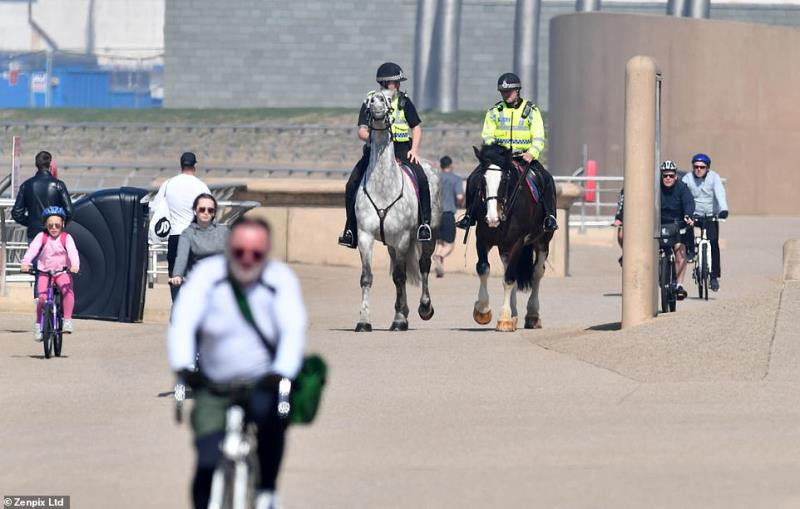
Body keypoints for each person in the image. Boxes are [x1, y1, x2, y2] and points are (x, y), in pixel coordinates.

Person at [167, 216, 307, 509]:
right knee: (206, 459)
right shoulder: (208, 275)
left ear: (266, 253)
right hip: (213, 384)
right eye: (239, 252)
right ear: (228, 249)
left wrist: (282, 371)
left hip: (261, 381)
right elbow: (183, 320)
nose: (246, 259)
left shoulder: (279, 280)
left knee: (272, 427)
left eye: (255, 254)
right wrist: (183, 366)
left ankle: (267, 489)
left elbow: (293, 328)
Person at [338, 62, 432, 248]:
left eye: (399, 83)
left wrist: (414, 150)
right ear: (384, 82)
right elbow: (361, 131)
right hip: (376, 149)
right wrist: (373, 140)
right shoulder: (371, 101)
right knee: (351, 184)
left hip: (402, 148)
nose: (398, 85)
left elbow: (417, 128)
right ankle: (350, 230)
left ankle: (424, 224)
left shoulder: (404, 101)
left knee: (422, 178)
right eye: (395, 82)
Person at [456, 72, 557, 232]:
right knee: (473, 178)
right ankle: (470, 215)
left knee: (546, 179)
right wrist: (495, 155)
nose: (505, 95)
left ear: (517, 91)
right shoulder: (494, 111)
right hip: (500, 160)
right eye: (503, 92)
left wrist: (532, 153)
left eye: (508, 92)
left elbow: (539, 136)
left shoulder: (532, 111)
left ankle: (549, 217)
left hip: (524, 157)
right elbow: (487, 136)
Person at [151, 152, 211, 301]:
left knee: (174, 275)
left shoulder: (169, 184)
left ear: (181, 165)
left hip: (175, 235)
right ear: (195, 166)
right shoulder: (201, 186)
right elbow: (210, 211)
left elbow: (156, 207)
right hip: (194, 237)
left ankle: (177, 307)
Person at [20, 207, 80, 340]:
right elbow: (32, 250)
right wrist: (25, 263)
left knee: (67, 291)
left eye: (57, 225)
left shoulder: (66, 238)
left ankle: (67, 321)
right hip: (44, 273)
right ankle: (38, 325)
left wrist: (75, 265)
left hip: (61, 272)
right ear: (45, 225)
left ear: (63, 224)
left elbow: (73, 252)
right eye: (50, 225)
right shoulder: (41, 237)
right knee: (41, 298)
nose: (54, 228)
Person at [682, 153, 728, 292]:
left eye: (702, 167)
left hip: (710, 215)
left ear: (707, 168)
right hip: (694, 214)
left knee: (713, 243)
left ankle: (714, 277)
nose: (698, 170)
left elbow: (720, 193)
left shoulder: (714, 177)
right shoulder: (687, 178)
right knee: (686, 227)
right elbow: (682, 194)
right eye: (696, 167)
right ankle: (690, 250)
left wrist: (723, 209)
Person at [168, 193, 229, 291]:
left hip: (222, 282)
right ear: (195, 211)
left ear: (214, 213)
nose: (206, 212)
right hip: (199, 283)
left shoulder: (224, 231)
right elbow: (181, 257)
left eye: (210, 210)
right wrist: (177, 275)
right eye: (202, 209)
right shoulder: (187, 234)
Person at [11, 151, 73, 242]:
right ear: (50, 164)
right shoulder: (58, 185)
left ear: (36, 164)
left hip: (34, 233)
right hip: (53, 234)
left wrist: (31, 222)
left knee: (35, 256)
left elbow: (16, 213)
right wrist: (58, 224)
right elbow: (69, 211)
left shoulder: (26, 185)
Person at [659, 160, 695, 300]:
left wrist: (688, 215)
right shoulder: (656, 188)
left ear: (675, 176)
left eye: (671, 175)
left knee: (680, 252)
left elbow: (689, 202)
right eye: (665, 175)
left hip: (676, 224)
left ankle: (679, 285)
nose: (668, 178)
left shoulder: (682, 188)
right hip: (659, 224)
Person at [432, 156, 464, 278]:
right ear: (450, 165)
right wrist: (461, 204)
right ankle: (439, 257)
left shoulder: (435, 178)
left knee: (439, 243)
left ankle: (439, 265)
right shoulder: (455, 179)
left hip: (435, 215)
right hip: (448, 214)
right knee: (449, 245)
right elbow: (460, 197)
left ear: (441, 166)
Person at [612, 188, 624, 266]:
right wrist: (619, 218)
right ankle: (626, 253)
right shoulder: (625, 190)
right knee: (621, 234)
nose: (668, 178)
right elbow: (621, 204)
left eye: (670, 176)